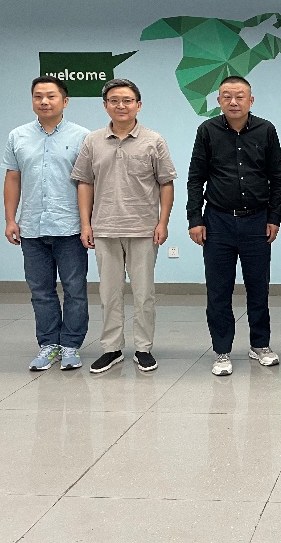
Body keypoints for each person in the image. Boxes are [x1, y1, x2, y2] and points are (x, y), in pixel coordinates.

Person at [72, 78, 177, 374]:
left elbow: (166, 183)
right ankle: (112, 348)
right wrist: (86, 224)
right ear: (105, 105)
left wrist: (163, 221)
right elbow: (84, 183)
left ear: (138, 105)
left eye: (127, 100)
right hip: (104, 228)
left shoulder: (154, 140)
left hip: (143, 228)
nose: (121, 105)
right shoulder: (92, 141)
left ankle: (143, 348)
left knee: (144, 294)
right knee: (109, 294)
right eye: (114, 100)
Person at [187, 76, 281, 376]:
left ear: (250, 100)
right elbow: (196, 178)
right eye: (227, 96)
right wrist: (195, 219)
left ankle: (260, 345)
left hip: (257, 221)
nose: (233, 102)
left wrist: (274, 217)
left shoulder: (266, 130)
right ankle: (222, 351)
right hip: (217, 221)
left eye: (240, 96)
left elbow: (277, 177)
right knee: (219, 290)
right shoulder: (207, 130)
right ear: (219, 101)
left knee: (258, 288)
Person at [3, 77, 90, 371]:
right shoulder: (18, 136)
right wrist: (10, 219)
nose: (44, 101)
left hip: (70, 227)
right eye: (38, 96)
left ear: (65, 101)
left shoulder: (82, 136)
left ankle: (71, 345)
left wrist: (87, 223)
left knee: (75, 289)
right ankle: (49, 344)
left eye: (51, 96)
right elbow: (12, 178)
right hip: (31, 227)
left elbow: (87, 183)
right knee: (40, 291)